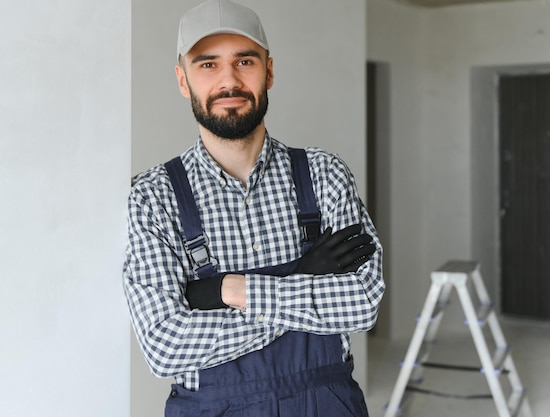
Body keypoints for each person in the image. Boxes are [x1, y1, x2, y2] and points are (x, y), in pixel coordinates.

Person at [123, 1, 385, 416]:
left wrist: (230, 291)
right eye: (207, 65)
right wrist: (304, 275)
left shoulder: (324, 174)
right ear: (182, 80)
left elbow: (361, 302)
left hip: (326, 403)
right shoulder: (153, 196)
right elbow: (166, 346)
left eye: (244, 61)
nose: (229, 80)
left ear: (269, 71)